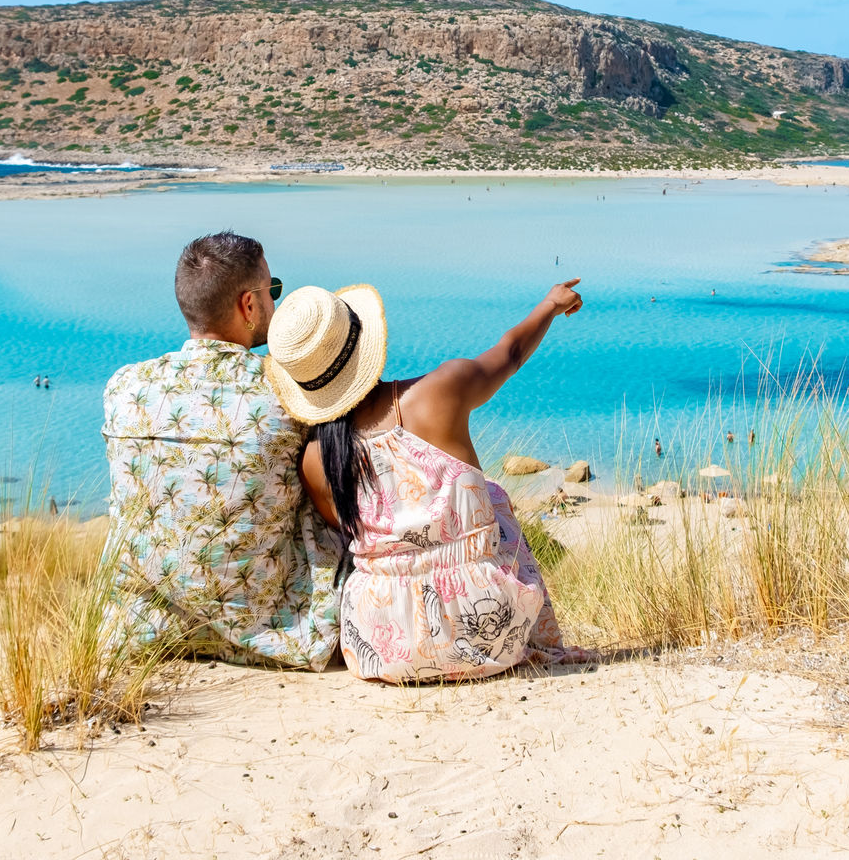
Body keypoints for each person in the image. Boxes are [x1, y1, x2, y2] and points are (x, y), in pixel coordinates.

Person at [265, 278, 596, 683]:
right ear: (365, 340)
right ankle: (538, 641)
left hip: (380, 645)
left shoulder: (316, 459)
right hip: (488, 629)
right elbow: (509, 353)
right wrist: (550, 304)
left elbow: (343, 530)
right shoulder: (440, 391)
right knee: (492, 497)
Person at [101, 232, 340, 669]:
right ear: (249, 305)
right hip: (274, 628)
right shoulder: (284, 390)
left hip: (145, 629)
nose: (276, 304)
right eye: (274, 291)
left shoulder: (124, 387)